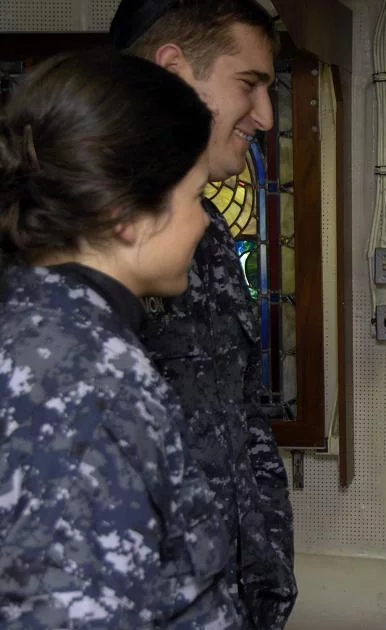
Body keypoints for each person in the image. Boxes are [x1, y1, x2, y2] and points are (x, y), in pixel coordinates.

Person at [0, 50, 237, 627]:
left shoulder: (49, 329)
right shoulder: (86, 389)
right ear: (124, 214)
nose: (204, 221)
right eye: (195, 195)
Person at [108, 1, 296, 628]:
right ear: (174, 70)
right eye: (250, 85)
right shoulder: (60, 240)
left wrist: (266, 581)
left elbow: (241, 419)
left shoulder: (208, 234)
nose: (266, 117)